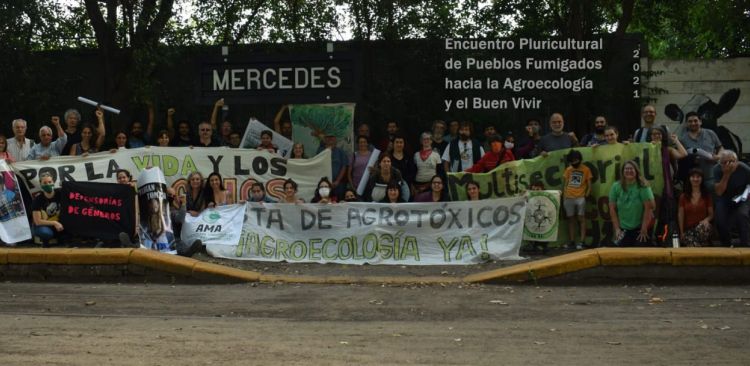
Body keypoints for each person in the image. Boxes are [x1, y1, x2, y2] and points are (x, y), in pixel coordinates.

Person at [608, 160, 656, 247]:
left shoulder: (643, 186)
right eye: (626, 169)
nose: (629, 171)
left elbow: (648, 207)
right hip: (623, 229)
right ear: (622, 172)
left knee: (640, 250)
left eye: (631, 169)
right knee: (617, 250)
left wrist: (644, 228)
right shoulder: (615, 186)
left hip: (640, 227)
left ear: (636, 171)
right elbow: (612, 209)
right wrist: (617, 229)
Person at [709, 150, 750, 247]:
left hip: (742, 196)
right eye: (724, 162)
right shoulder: (717, 170)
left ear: (737, 161)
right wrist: (726, 174)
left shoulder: (744, 168)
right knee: (720, 218)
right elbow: (719, 191)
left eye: (731, 161)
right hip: (725, 197)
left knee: (742, 215)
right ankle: (726, 244)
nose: (728, 164)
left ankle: (745, 245)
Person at [677, 111, 723, 182]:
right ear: (686, 124)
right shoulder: (682, 139)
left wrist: (718, 156)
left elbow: (720, 147)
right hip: (694, 177)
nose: (693, 123)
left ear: (700, 122)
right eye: (690, 121)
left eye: (695, 121)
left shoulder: (710, 133)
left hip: (711, 174)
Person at [562, 150, 592, 250]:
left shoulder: (586, 169)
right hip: (569, 197)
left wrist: (586, 195)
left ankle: (582, 241)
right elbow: (565, 183)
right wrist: (565, 195)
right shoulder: (568, 169)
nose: (574, 163)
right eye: (572, 161)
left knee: (581, 219)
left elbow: (589, 184)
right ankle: (571, 241)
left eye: (575, 160)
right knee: (571, 220)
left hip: (580, 197)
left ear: (579, 159)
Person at [678, 169, 714, 247]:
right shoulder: (683, 197)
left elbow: (711, 214)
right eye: (693, 177)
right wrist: (681, 232)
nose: (695, 179)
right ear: (689, 179)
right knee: (694, 247)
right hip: (688, 230)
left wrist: (706, 220)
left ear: (702, 179)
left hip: (702, 227)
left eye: (698, 177)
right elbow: (681, 215)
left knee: (704, 227)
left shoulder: (706, 196)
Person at [31, 173, 66, 247]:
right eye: (45, 183)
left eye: (50, 182)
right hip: (44, 225)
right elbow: (37, 222)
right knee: (45, 233)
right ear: (41, 185)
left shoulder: (60, 193)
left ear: (53, 182)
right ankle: (45, 242)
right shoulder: (37, 200)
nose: (48, 184)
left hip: (60, 223)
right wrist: (55, 223)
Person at [316, 133, 349, 197]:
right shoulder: (320, 151)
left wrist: (337, 181)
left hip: (338, 184)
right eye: (328, 137)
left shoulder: (341, 152)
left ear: (335, 139)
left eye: (332, 136)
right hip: (324, 184)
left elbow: (344, 167)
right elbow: (317, 165)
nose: (330, 138)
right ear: (325, 139)